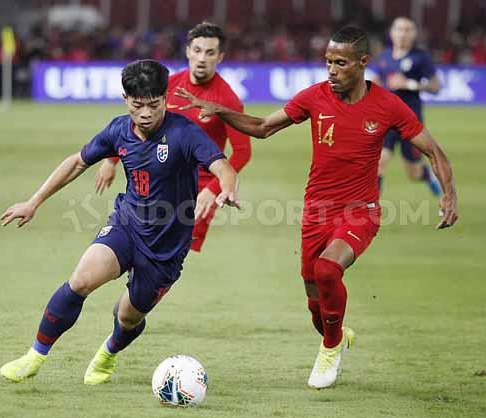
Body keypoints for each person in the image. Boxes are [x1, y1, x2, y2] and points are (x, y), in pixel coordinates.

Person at [176, 27, 458, 389]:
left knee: (327, 270)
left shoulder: (387, 105)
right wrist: (220, 110)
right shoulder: (314, 97)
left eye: (341, 63)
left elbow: (433, 150)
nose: (332, 70)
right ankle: (336, 337)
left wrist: (448, 193)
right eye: (328, 62)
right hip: (316, 213)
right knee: (315, 303)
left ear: (363, 63)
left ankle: (329, 348)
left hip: (361, 210)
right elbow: (262, 128)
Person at [0, 59, 240, 385]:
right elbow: (77, 162)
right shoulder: (117, 130)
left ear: (165, 99)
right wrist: (34, 201)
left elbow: (224, 167)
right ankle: (34, 357)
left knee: (127, 316)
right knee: (81, 280)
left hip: (166, 248)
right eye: (138, 105)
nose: (145, 113)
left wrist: (224, 189)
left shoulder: (184, 133)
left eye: (154, 105)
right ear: (126, 99)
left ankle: (108, 353)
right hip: (127, 225)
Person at [95, 22, 251, 252]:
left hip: (197, 194)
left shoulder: (226, 100)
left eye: (210, 53)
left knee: (167, 260)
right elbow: (139, 119)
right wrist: (111, 160)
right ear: (188, 51)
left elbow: (242, 152)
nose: (201, 58)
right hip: (157, 180)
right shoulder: (169, 86)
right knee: (143, 253)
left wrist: (213, 189)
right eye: (197, 50)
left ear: (220, 57)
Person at [370, 17, 442, 196]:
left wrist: (411, 84)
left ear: (414, 34)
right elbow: (377, 80)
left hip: (410, 121)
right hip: (385, 118)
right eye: (399, 29)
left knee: (414, 172)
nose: (403, 34)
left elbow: (436, 87)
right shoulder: (384, 56)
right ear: (392, 32)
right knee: (379, 163)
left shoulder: (421, 57)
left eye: (407, 30)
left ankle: (427, 176)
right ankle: (370, 210)